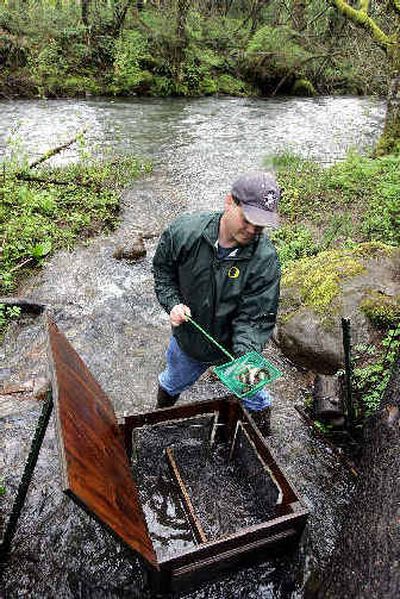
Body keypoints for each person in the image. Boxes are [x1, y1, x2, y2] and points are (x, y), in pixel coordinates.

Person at [152, 171, 281, 432]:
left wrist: (242, 359)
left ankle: (263, 436)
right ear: (229, 202)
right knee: (171, 382)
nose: (253, 230)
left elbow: (256, 319)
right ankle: (157, 422)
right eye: (248, 220)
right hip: (190, 341)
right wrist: (173, 303)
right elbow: (163, 273)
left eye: (261, 225)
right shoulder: (184, 233)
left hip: (236, 349)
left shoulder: (265, 259)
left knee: (256, 398)